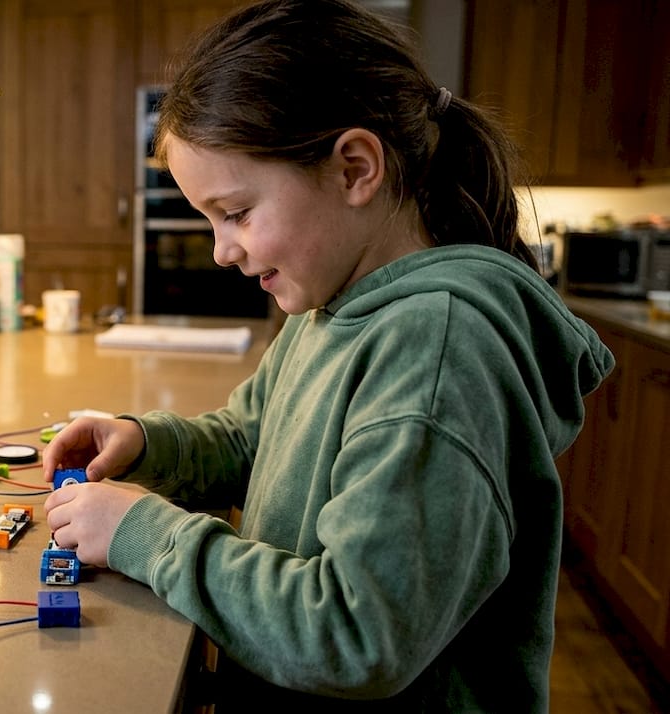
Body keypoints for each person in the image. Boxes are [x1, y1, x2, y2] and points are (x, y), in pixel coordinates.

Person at [40, 1, 615, 711]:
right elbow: (254, 435)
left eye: (237, 213)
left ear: (354, 169)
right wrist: (148, 443)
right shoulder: (329, 305)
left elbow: (354, 633)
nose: (223, 250)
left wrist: (143, 534)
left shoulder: (436, 347)